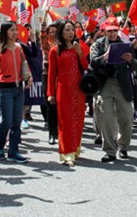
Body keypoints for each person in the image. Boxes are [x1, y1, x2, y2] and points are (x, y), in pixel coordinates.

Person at [90, 17, 137, 162]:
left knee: (127, 118)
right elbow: (92, 62)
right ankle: (110, 150)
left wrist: (130, 60)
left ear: (118, 31)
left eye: (115, 31)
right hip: (105, 84)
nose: (112, 34)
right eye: (109, 31)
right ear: (104, 31)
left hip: (121, 84)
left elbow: (135, 66)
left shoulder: (125, 45)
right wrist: (104, 57)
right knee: (106, 118)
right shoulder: (98, 44)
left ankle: (123, 146)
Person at [47, 21, 88, 167]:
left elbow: (85, 66)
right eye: (67, 30)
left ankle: (76, 149)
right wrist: (50, 93)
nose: (71, 32)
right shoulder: (55, 50)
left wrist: (79, 53)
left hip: (78, 89)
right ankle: (66, 154)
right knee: (65, 121)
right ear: (61, 32)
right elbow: (52, 74)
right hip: (63, 89)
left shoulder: (79, 46)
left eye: (72, 29)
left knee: (78, 119)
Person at [0, 22, 32, 163]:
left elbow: (24, 63)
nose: (15, 33)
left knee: (17, 122)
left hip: (18, 88)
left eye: (16, 30)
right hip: (4, 88)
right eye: (12, 30)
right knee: (6, 121)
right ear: (5, 32)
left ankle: (14, 151)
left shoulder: (19, 47)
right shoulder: (0, 48)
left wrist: (29, 76)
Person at [41, 21, 59, 144]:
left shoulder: (63, 44)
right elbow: (42, 38)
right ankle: (51, 132)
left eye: (55, 31)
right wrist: (42, 28)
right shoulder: (46, 45)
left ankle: (60, 131)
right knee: (50, 104)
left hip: (61, 76)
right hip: (47, 75)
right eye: (50, 32)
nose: (53, 34)